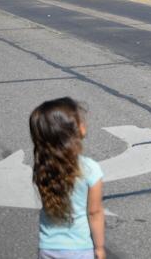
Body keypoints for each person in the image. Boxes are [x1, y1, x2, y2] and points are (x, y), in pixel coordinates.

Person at [29, 97, 105, 259]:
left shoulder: (42, 168)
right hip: (79, 249)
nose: (84, 122)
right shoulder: (90, 169)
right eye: (80, 120)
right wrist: (99, 248)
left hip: (47, 248)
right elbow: (95, 212)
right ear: (74, 131)